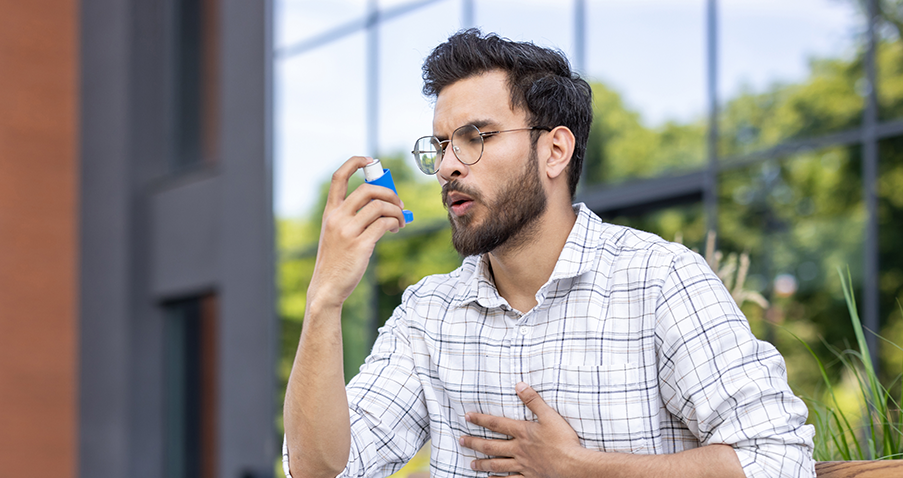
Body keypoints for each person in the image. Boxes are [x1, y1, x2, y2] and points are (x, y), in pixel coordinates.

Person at [283, 29, 814, 478]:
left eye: (475, 137)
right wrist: (324, 299)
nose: (447, 166)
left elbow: (779, 457)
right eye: (441, 144)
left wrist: (584, 467)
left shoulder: (659, 281)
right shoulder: (428, 315)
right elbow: (322, 470)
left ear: (555, 150)